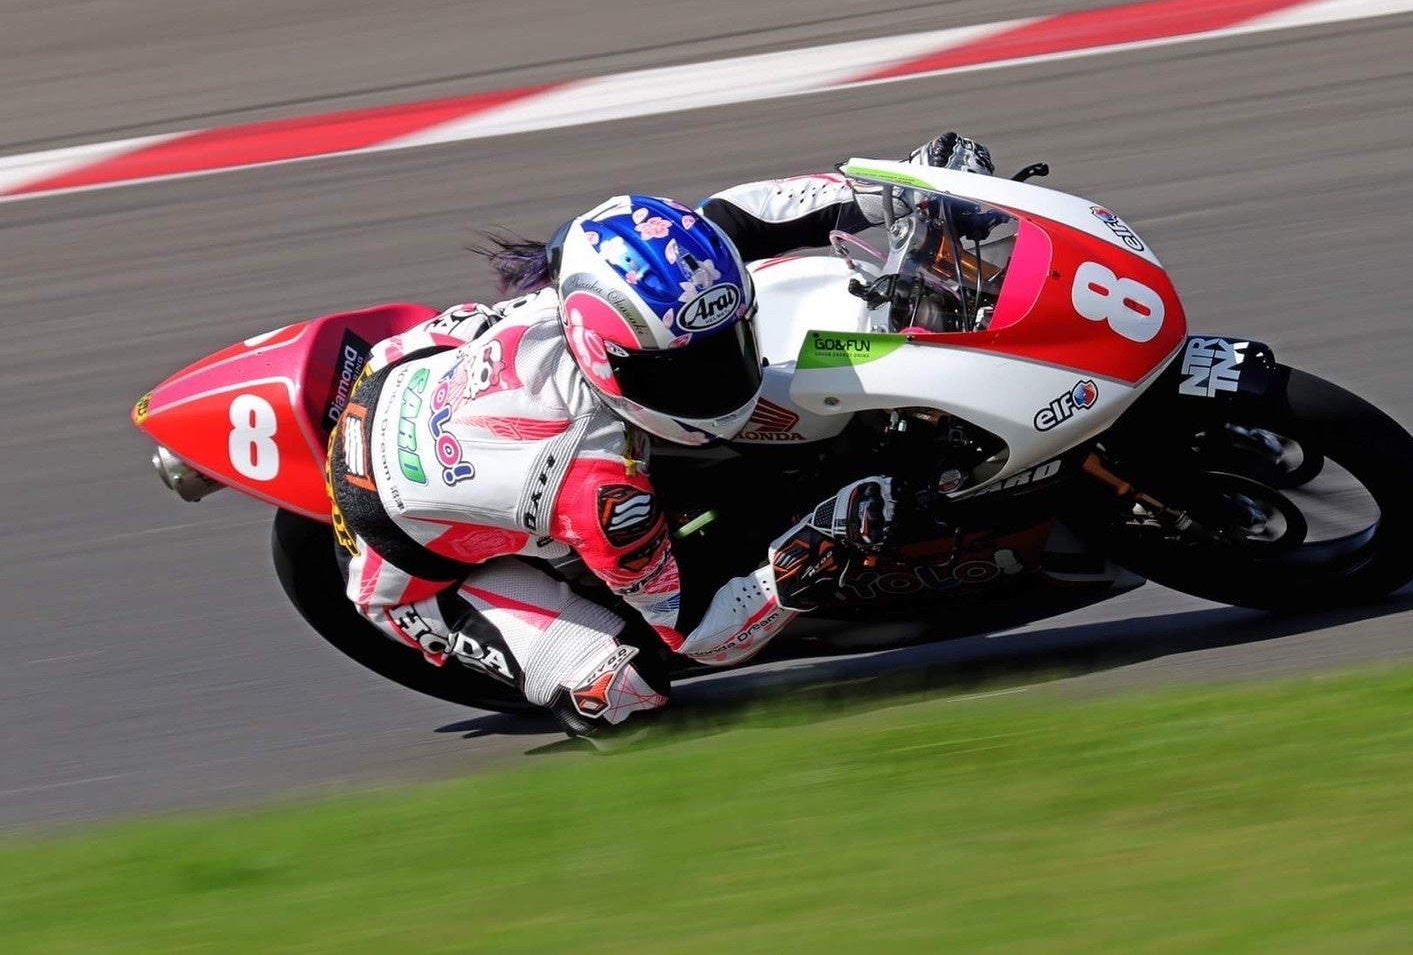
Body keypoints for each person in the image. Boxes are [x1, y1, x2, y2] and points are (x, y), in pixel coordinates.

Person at [325, 133, 995, 744]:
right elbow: (699, 634)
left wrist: (898, 191)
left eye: (726, 347)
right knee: (624, 692)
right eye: (688, 373)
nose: (720, 382)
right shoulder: (600, 487)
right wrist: (819, 543)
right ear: (608, 360)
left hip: (407, 366)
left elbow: (733, 218)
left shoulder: (598, 273)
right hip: (398, 551)